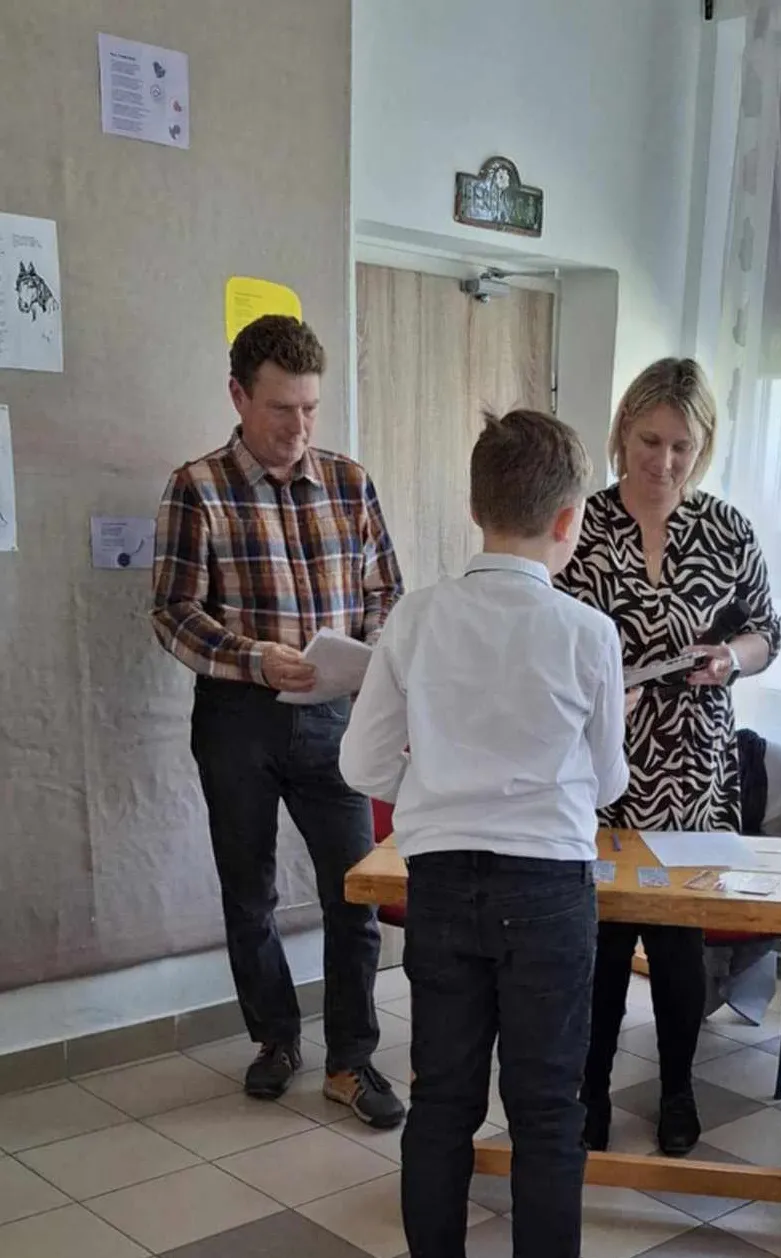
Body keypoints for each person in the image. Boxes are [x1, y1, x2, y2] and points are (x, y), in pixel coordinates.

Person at [341, 410, 629, 1258]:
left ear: (474, 508)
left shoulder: (415, 618)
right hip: (549, 889)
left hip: (440, 881)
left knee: (442, 1100)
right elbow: (608, 782)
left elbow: (361, 763)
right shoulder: (589, 633)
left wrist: (436, 788)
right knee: (547, 1112)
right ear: (569, 519)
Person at [151, 314, 405, 1128]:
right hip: (239, 718)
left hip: (334, 718)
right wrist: (254, 658)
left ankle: (350, 1061)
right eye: (281, 409)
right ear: (238, 395)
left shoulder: (350, 483)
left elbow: (386, 596)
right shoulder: (197, 487)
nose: (299, 428)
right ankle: (276, 1039)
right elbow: (172, 613)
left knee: (355, 892)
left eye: (311, 409)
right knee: (250, 893)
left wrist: (369, 656)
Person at [557, 358, 781, 1157]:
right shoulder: (578, 523)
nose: (664, 461)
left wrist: (731, 660)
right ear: (622, 432)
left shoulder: (726, 528)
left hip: (694, 768)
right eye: (650, 441)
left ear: (704, 446)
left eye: (683, 446)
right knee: (602, 944)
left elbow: (766, 632)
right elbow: (544, 634)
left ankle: (678, 1089)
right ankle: (590, 1092)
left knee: (679, 946)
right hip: (602, 763)